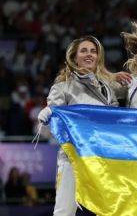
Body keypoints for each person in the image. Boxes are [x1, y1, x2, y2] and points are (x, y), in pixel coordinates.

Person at [37, 35, 119, 216]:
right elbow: (54, 115)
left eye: (93, 51)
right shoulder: (63, 87)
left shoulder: (107, 88)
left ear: (98, 57)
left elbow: (115, 120)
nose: (89, 54)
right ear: (74, 57)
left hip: (102, 156)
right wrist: (49, 111)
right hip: (73, 157)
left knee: (110, 210)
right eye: (84, 50)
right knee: (64, 211)